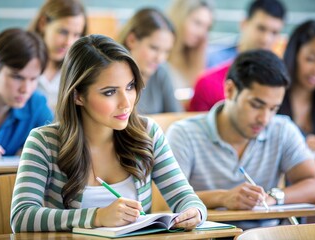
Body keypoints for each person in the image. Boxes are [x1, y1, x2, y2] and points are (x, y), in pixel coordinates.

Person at [10, 34, 207, 232]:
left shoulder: (148, 132)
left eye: (130, 87)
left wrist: (195, 212)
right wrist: (98, 216)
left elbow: (185, 197)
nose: (126, 103)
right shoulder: (43, 142)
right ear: (78, 96)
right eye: (109, 92)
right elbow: (21, 216)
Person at [166, 49, 315, 229]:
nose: (264, 119)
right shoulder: (184, 134)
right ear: (229, 90)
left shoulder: (281, 129)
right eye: (256, 105)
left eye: (273, 108)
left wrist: (273, 197)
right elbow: (165, 204)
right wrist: (223, 197)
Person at [0, 28, 52, 165]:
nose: (26, 89)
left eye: (33, 79)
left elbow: (56, 155)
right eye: (17, 77)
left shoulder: (37, 105)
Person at [189, 0, 285, 111]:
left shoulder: (280, 79)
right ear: (244, 24)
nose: (266, 39)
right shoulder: (211, 64)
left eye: (274, 32)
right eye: (261, 28)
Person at [278, 20, 315, 187]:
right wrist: (298, 145)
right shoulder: (274, 95)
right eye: (310, 59)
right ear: (294, 54)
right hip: (288, 180)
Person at [117, 8, 183, 114]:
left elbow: (177, 117)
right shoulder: (112, 74)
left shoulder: (161, 72)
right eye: (154, 48)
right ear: (132, 40)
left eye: (166, 51)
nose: (160, 58)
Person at [29, 0, 87, 111]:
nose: (68, 42)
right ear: (43, 24)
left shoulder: (78, 70)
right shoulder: (22, 63)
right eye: (63, 32)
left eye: (76, 35)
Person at [167, 0, 214, 92]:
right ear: (180, 17)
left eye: (207, 27)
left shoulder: (201, 59)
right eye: (197, 23)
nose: (202, 33)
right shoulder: (160, 56)